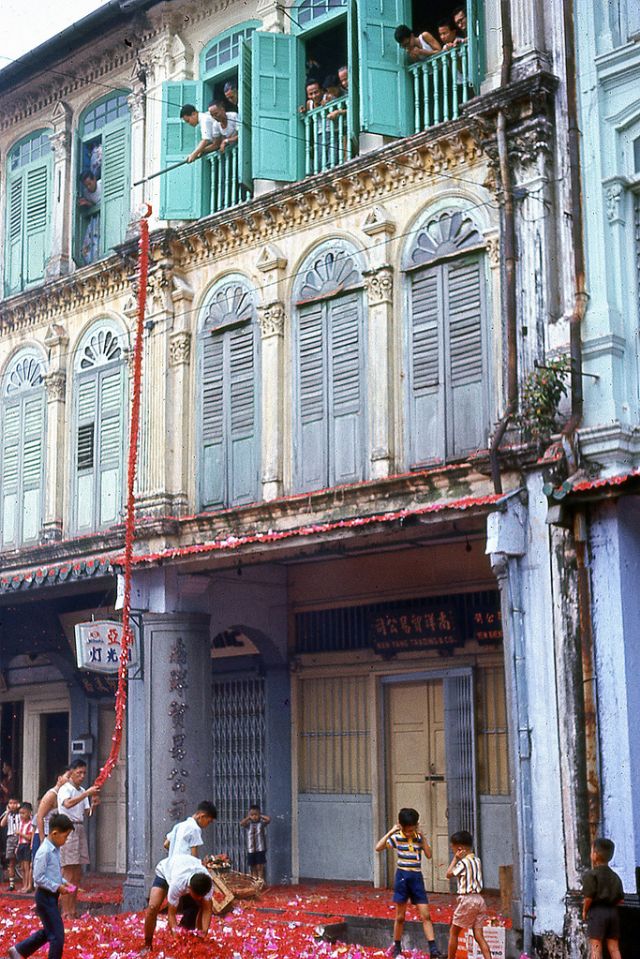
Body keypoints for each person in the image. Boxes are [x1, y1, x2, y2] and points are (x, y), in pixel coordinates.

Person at [6, 813, 75, 959]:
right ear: (55, 833)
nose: (66, 840)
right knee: (57, 936)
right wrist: (56, 887)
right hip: (45, 897)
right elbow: (39, 877)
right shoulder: (44, 852)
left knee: (50, 931)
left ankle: (19, 950)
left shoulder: (54, 849)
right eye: (65, 836)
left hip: (51, 896)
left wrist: (63, 882)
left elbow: (53, 874)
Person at [375, 808, 441, 958]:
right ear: (402, 826)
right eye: (408, 830)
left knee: (426, 915)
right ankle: (397, 947)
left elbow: (429, 855)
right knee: (400, 916)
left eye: (413, 829)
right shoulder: (397, 837)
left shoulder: (418, 838)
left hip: (416, 878)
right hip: (402, 877)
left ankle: (433, 949)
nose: (411, 832)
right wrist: (391, 831)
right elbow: (378, 847)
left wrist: (423, 838)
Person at [143, 852, 214, 951]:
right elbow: (171, 914)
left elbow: (207, 910)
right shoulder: (177, 884)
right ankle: (147, 944)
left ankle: (198, 938)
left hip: (187, 867)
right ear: (189, 889)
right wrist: (177, 937)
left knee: (201, 905)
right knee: (152, 907)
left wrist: (204, 933)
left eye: (201, 896)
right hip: (165, 870)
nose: (199, 898)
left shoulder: (207, 883)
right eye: (197, 896)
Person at [57, 760, 100, 918]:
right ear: (71, 772)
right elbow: (67, 804)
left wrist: (94, 804)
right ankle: (65, 911)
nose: (82, 776)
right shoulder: (65, 789)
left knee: (77, 873)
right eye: (79, 773)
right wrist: (86, 794)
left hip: (79, 827)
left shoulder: (82, 790)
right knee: (68, 872)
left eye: (84, 773)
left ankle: (73, 910)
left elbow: (87, 812)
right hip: (67, 829)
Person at [445, 830, 491, 959]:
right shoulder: (477, 860)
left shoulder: (463, 863)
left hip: (467, 899)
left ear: (460, 848)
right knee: (479, 935)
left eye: (453, 848)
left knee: (454, 932)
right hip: (479, 899)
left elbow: (448, 874)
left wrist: (455, 858)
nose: (452, 850)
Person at [582, 837, 623, 959]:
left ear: (595, 855)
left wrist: (584, 911)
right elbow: (621, 899)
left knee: (596, 947)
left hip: (597, 913)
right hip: (613, 913)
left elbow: (588, 897)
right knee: (614, 948)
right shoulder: (615, 877)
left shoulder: (591, 875)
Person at [33, 770, 71, 863]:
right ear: (59, 778)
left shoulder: (66, 795)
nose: (70, 780)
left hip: (56, 835)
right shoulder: (51, 795)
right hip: (46, 834)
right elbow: (39, 817)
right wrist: (42, 840)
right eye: (68, 777)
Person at [240, 804, 271, 882]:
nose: (254, 816)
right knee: (253, 866)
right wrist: (248, 817)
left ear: (259, 814)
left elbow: (268, 820)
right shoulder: (248, 824)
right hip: (251, 849)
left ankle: (260, 881)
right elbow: (241, 823)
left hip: (260, 848)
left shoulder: (261, 824)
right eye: (252, 815)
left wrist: (260, 816)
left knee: (260, 866)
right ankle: (254, 881)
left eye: (256, 814)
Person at [78, 170, 101, 266]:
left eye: (89, 184)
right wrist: (86, 203)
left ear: (94, 179)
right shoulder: (86, 193)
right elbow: (92, 204)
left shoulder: (102, 184)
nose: (88, 187)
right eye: (86, 185)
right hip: (96, 217)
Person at [1, 797, 21, 891]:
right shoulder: (7, 814)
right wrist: (7, 812)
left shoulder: (21, 813)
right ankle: (12, 884)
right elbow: (2, 824)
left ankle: (26, 883)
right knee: (11, 862)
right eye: (10, 803)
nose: (12, 805)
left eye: (14, 803)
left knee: (23, 861)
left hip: (20, 837)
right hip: (10, 838)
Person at [16, 802, 35, 893]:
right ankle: (24, 885)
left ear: (29, 813)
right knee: (22, 867)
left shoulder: (31, 823)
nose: (21, 815)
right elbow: (19, 838)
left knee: (27, 867)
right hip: (20, 845)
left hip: (26, 845)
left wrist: (20, 834)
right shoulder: (21, 823)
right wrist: (17, 846)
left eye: (23, 813)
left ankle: (28, 885)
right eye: (20, 813)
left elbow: (29, 837)